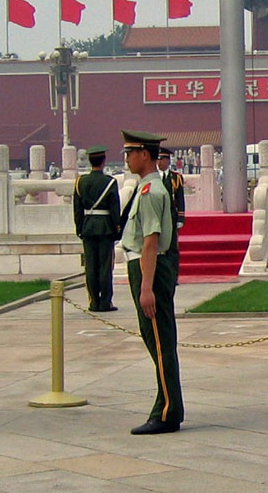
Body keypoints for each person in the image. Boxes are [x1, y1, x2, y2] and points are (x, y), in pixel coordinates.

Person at [120, 130, 183, 435]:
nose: (127, 158)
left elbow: (150, 242)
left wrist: (146, 288)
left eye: (130, 153)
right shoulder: (150, 187)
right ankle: (165, 405)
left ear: (144, 154)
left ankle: (168, 412)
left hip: (149, 271)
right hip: (150, 269)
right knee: (158, 343)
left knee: (160, 344)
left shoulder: (151, 192)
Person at [73, 145, 121, 312]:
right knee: (105, 267)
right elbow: (115, 209)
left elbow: (77, 209)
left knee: (91, 266)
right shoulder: (110, 182)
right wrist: (117, 228)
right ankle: (105, 301)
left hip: (87, 227)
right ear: (103, 161)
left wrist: (79, 228)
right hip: (105, 228)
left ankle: (93, 301)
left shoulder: (81, 182)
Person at [157, 148, 186, 232]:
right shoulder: (153, 177)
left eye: (162, 159)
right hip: (157, 214)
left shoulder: (176, 177)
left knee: (172, 241)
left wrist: (181, 217)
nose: (159, 162)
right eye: (158, 160)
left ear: (168, 161)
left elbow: (180, 198)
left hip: (171, 214)